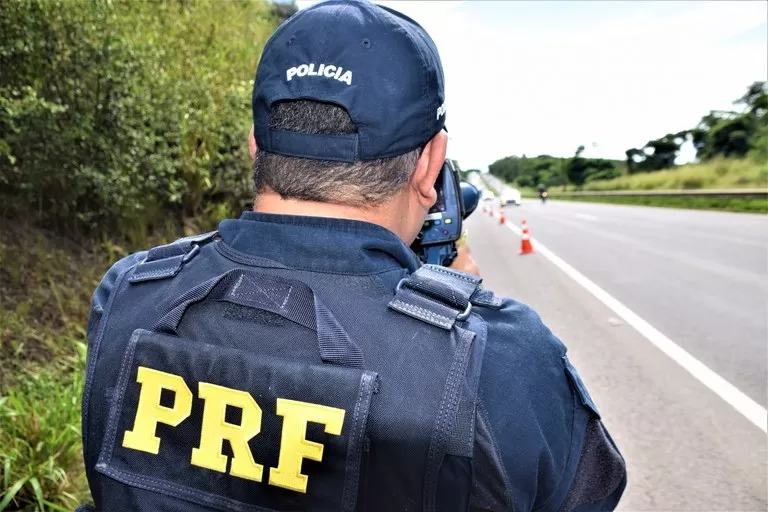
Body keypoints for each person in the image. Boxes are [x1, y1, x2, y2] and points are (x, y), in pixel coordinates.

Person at [78, 1, 626, 511]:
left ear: (254, 145)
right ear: (430, 164)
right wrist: (460, 311)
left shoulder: (129, 291)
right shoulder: (502, 358)